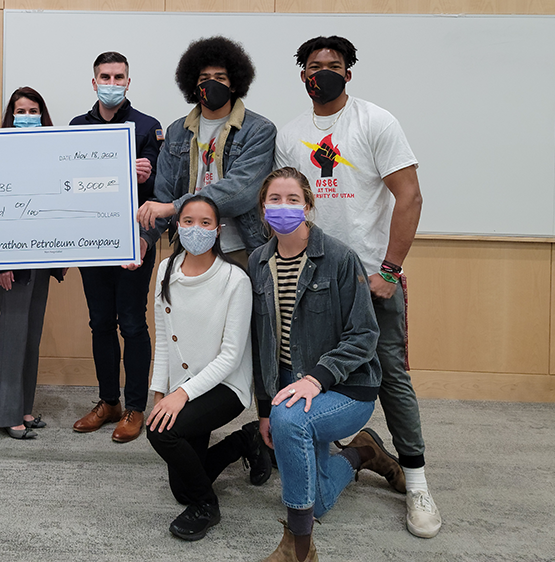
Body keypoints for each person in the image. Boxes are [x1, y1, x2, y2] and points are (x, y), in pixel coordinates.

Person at [273, 36, 439, 538]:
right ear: (302, 74)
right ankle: (346, 453)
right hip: (313, 279)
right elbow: (290, 206)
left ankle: (416, 483)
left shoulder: (376, 122)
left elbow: (409, 196)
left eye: (334, 66)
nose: (323, 72)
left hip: (371, 279)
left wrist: (389, 270)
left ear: (348, 73)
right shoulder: (291, 133)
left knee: (390, 376)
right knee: (310, 372)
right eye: (314, 66)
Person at [249, 168, 395, 562]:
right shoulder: (258, 262)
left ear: (309, 206)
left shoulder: (338, 258)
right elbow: (262, 343)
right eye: (274, 200)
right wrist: (265, 409)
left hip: (346, 388)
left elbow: (364, 335)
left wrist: (318, 378)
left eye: (292, 199)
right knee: (319, 501)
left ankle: (299, 548)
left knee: (289, 420)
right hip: (288, 386)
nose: (283, 207)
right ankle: (362, 453)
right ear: (263, 209)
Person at [145, 195, 254, 541]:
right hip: (184, 386)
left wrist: (181, 395)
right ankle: (244, 441)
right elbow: (163, 338)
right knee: (181, 487)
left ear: (218, 230)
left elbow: (231, 357)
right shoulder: (166, 270)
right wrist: (160, 392)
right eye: (188, 221)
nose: (196, 229)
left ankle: (206, 506)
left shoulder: (234, 279)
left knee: (162, 433)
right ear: (178, 226)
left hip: (225, 386)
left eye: (205, 223)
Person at [68, 52, 163, 443]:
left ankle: (136, 407)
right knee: (100, 322)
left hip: (133, 243)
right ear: (93, 82)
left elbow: (161, 193)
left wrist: (148, 171)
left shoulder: (147, 126)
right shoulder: (76, 126)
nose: (111, 82)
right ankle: (109, 402)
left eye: (118, 76)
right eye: (104, 76)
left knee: (133, 322)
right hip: (92, 242)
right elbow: (67, 182)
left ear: (128, 81)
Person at [137, 36, 276, 266]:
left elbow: (240, 192)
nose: (212, 84)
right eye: (204, 78)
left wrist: (175, 207)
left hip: (240, 248)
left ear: (233, 83)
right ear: (193, 84)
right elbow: (163, 196)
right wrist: (145, 239)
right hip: (189, 245)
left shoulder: (259, 130)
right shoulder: (176, 131)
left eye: (220, 78)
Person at [0, 87, 65, 440]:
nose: (27, 115)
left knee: (30, 336)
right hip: (11, 259)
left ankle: (24, 407)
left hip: (41, 258)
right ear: (11, 116)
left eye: (34, 110)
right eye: (21, 110)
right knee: (12, 333)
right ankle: (6, 415)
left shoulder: (53, 153)